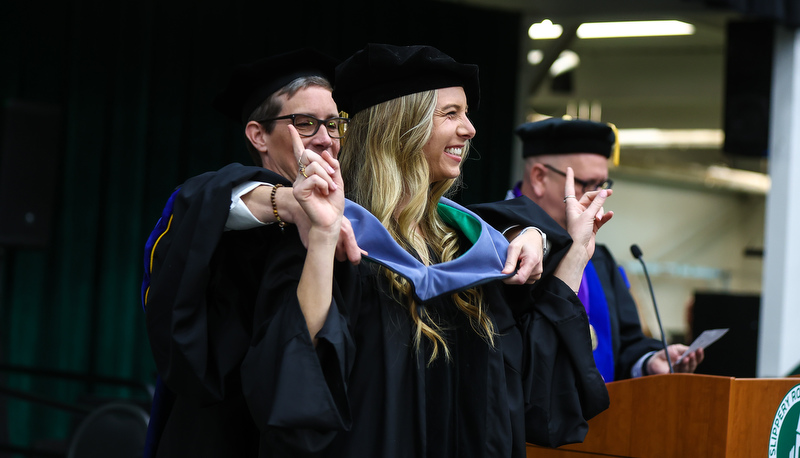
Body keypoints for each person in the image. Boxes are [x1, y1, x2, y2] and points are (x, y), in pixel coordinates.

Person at [142, 47, 555, 457]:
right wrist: (287, 205)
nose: (325, 138)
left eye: (334, 123)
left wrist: (533, 230)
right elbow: (206, 210)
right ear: (257, 135)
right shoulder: (260, 225)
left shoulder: (425, 232)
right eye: (304, 123)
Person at [238, 43, 612, 458]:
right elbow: (294, 379)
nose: (470, 129)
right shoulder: (332, 237)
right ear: (399, 127)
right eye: (451, 114)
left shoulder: (467, 247)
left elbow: (534, 394)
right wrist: (324, 241)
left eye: (467, 114)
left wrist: (576, 250)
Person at [508, 117, 704, 382]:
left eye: (602, 186)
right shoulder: (498, 240)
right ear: (540, 177)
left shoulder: (600, 259)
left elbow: (627, 342)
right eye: (586, 184)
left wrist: (649, 361)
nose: (597, 199)